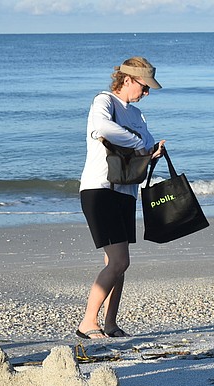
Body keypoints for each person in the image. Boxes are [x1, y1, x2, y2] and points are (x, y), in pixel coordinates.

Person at [75, 56, 165, 340]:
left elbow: (145, 147)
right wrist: (140, 144)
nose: (147, 93)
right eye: (144, 86)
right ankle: (88, 322)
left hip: (126, 192)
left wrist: (152, 153)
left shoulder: (137, 115)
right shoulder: (104, 102)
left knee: (117, 264)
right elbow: (103, 128)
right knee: (119, 262)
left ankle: (111, 323)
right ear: (128, 80)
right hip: (99, 190)